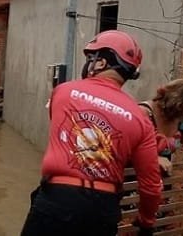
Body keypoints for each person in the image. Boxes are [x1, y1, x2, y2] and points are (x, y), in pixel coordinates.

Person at [21, 30, 161, 236]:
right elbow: (150, 185)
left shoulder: (64, 91)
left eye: (91, 58)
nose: (88, 63)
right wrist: (146, 221)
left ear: (102, 63)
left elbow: (60, 127)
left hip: (57, 201)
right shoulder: (141, 119)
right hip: (102, 211)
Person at [138, 79, 183, 176]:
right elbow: (126, 145)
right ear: (178, 105)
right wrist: (154, 158)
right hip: (134, 175)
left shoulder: (179, 117)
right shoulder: (143, 113)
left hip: (160, 175)